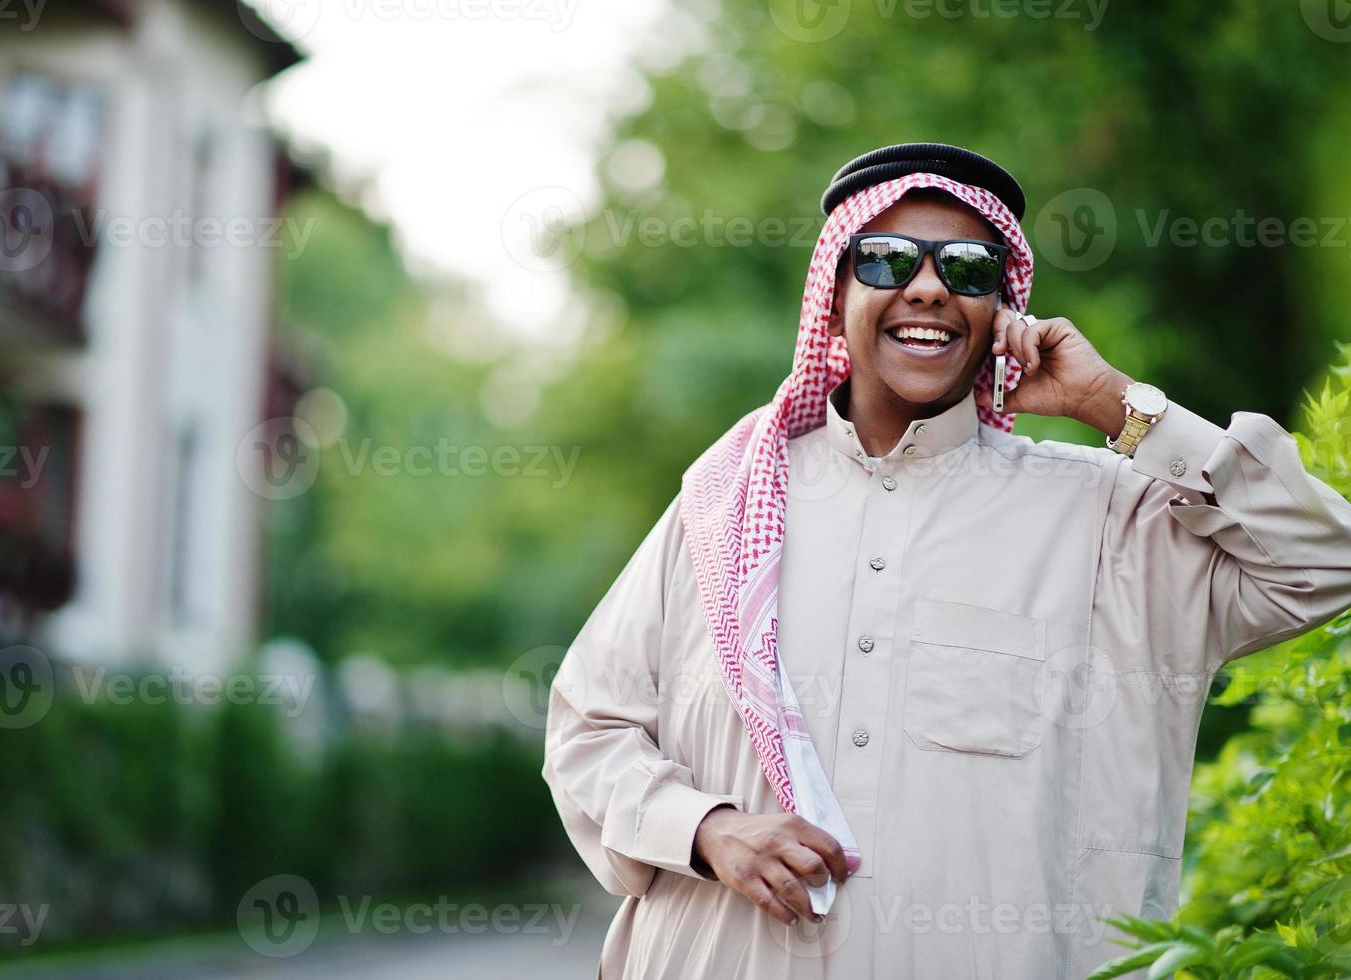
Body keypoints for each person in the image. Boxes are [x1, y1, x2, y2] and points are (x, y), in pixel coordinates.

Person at [540, 142, 1351, 978]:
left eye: (966, 268)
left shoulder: (1107, 519)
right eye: (885, 259)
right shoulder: (725, 503)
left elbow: (1325, 561)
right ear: (832, 300)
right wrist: (705, 830)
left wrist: (1112, 406)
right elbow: (586, 733)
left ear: (1001, 309)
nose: (926, 286)